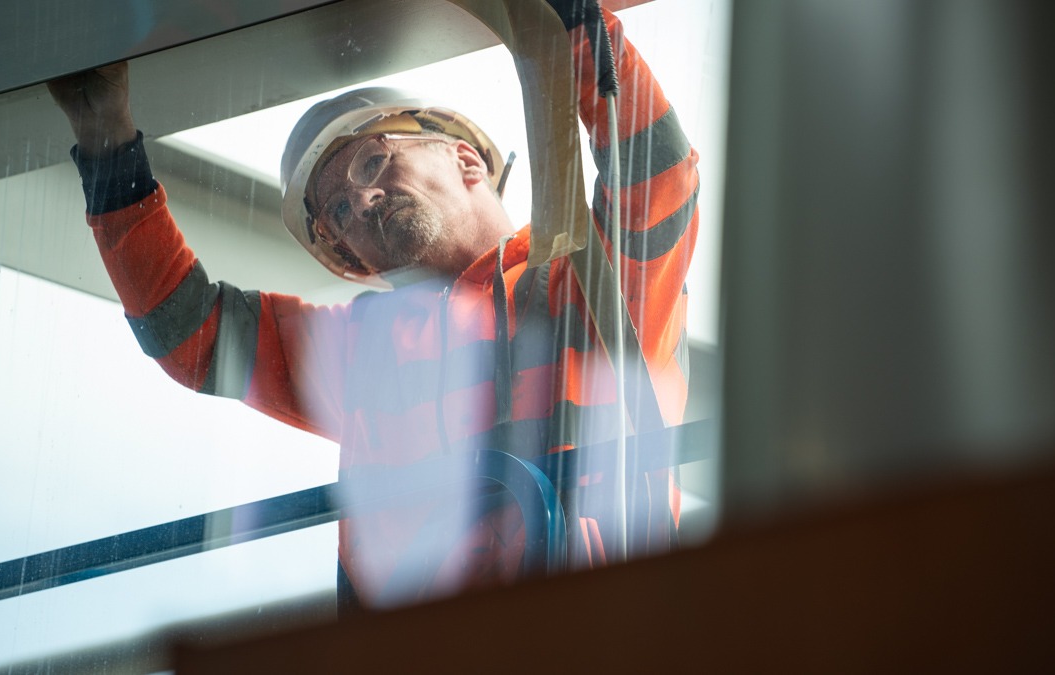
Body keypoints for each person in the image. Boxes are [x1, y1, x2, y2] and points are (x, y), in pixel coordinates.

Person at [49, 1, 698, 608]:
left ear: (465, 160)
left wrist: (565, 17)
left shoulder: (588, 278)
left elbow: (658, 178)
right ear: (354, 258)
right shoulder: (365, 347)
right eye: (336, 212)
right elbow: (187, 330)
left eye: (371, 163)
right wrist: (106, 140)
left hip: (594, 628)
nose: (359, 203)